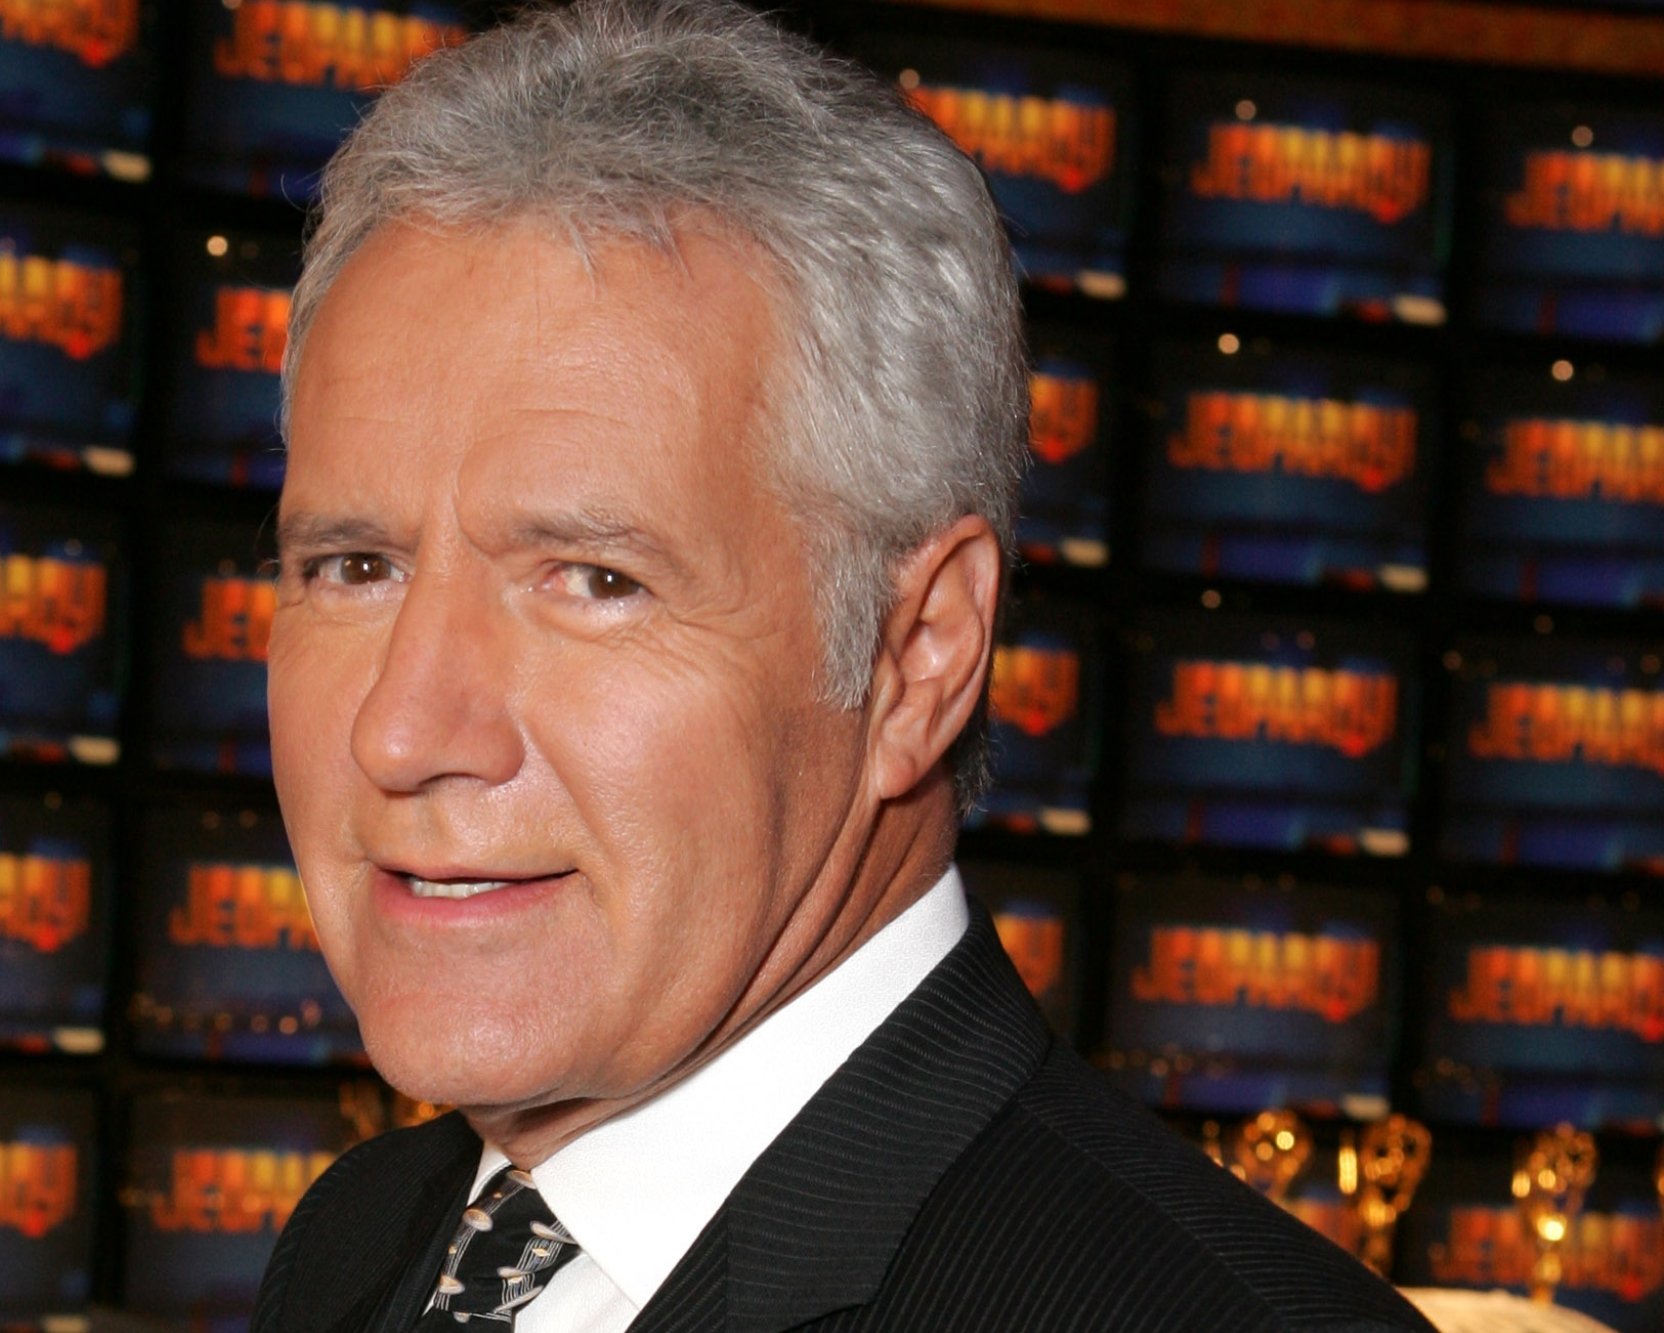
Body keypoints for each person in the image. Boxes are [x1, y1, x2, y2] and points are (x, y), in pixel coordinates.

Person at [253, 2, 1435, 1329]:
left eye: (594, 581)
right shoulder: (360, 1243)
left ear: (921, 655)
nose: (404, 731)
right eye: (354, 567)